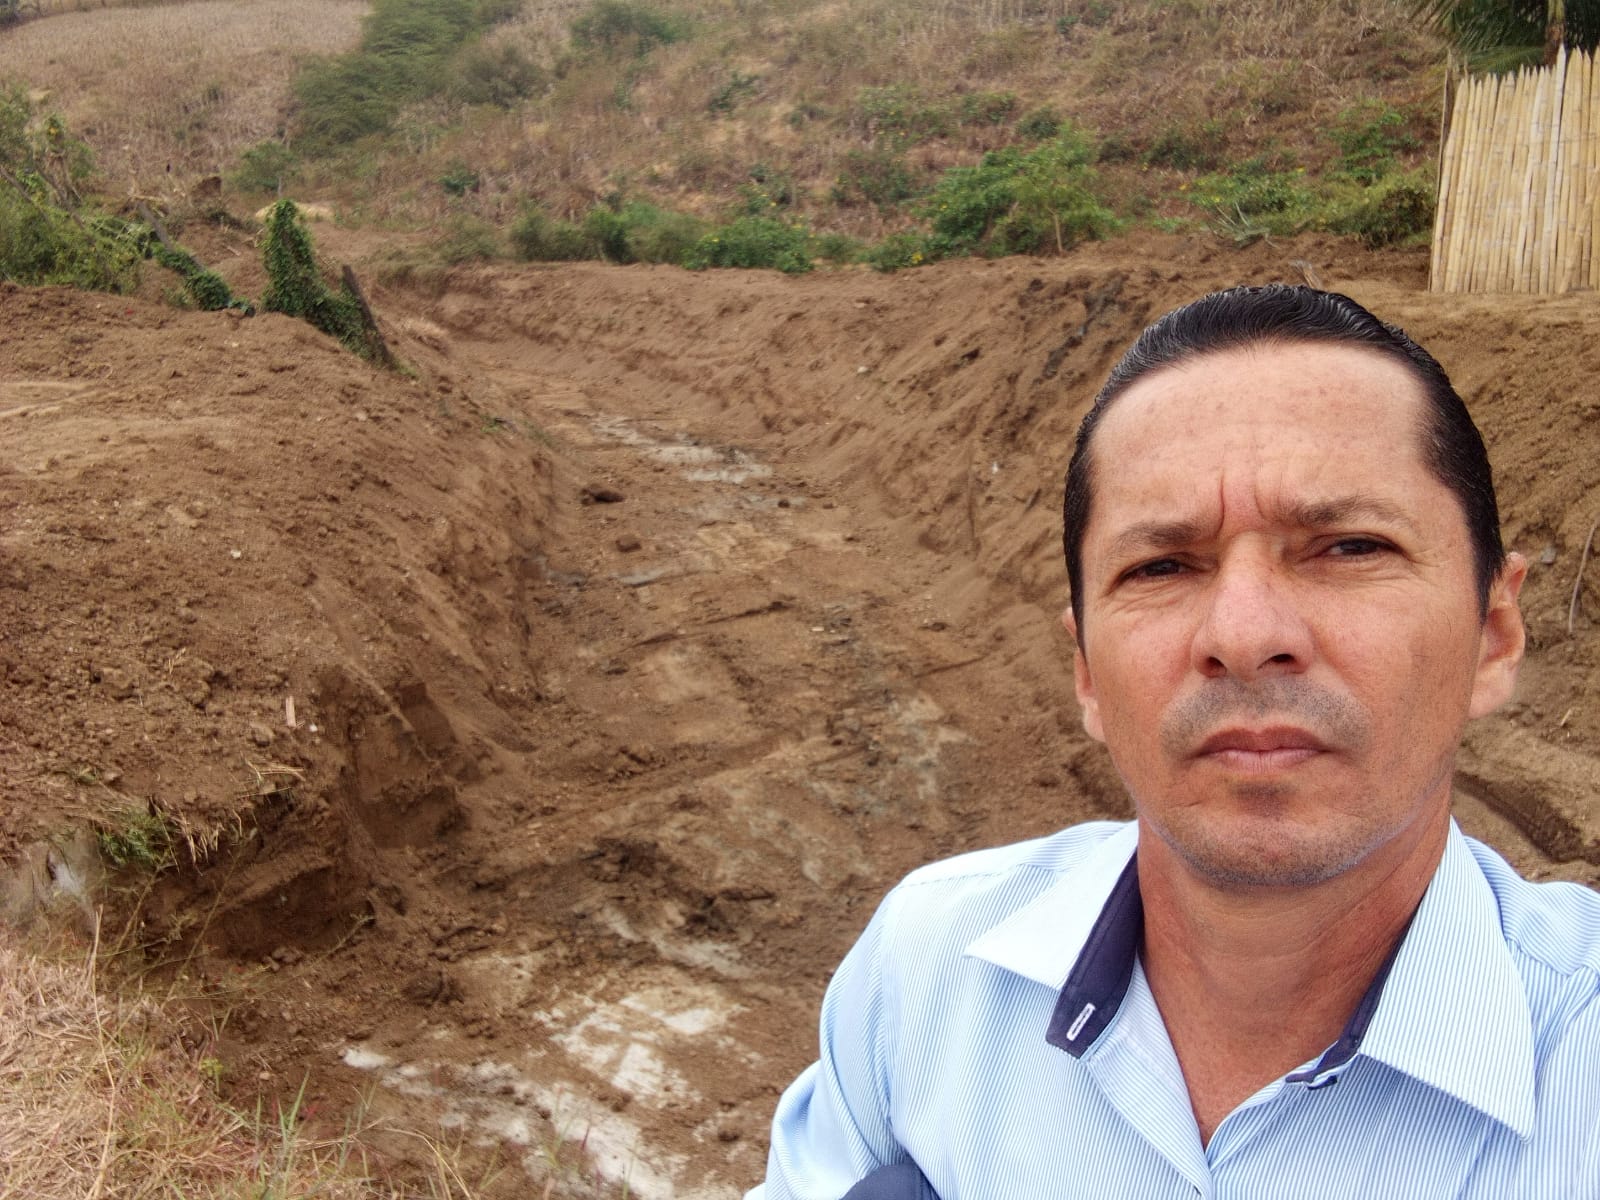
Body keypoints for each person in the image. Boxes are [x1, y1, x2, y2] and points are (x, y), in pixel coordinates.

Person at [748, 285, 1600, 1200]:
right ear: (1087, 671)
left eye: (1349, 547)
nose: (1244, 634)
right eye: (1161, 566)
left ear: (1493, 634)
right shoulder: (925, 974)